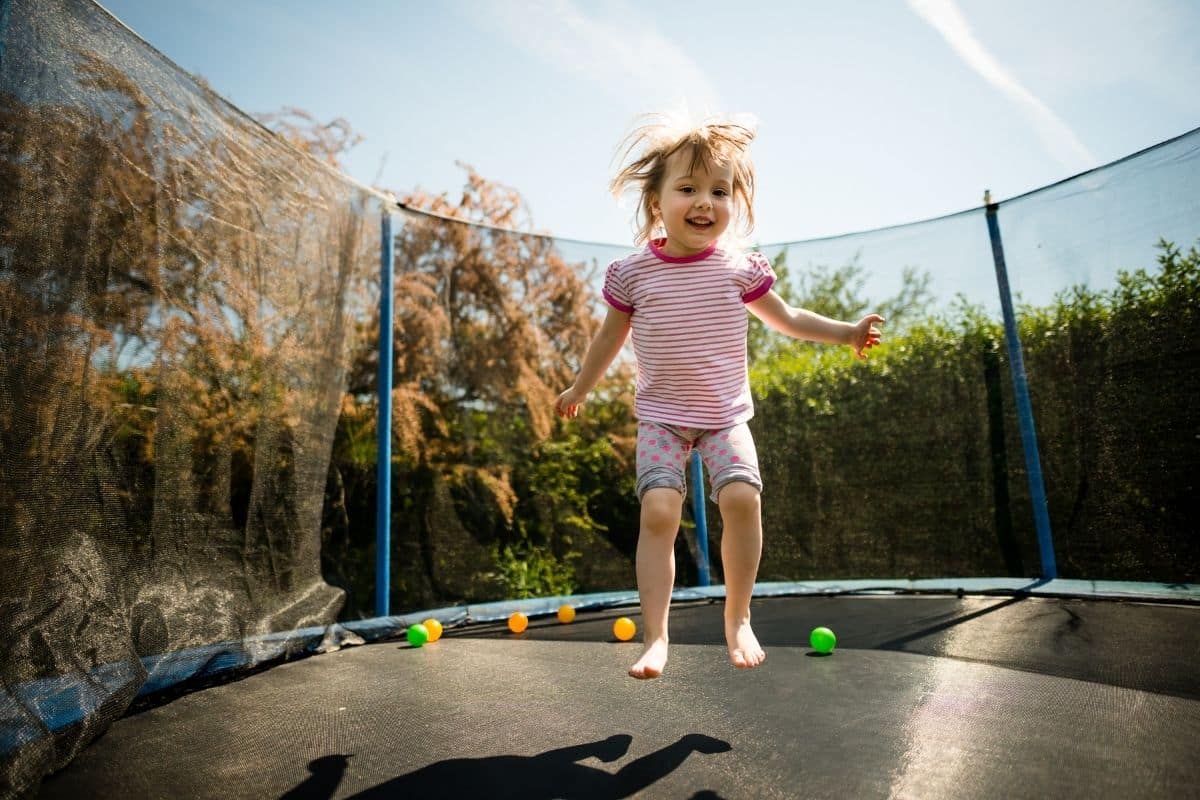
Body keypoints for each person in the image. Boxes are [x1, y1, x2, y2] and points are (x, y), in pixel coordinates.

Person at [554, 114, 883, 679]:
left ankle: (738, 617)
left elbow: (790, 319)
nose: (704, 201)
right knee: (659, 510)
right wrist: (581, 385)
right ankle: (656, 636)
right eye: (686, 189)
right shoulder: (634, 275)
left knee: (741, 501)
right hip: (661, 418)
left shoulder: (737, 269)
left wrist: (848, 331)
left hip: (724, 418)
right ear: (656, 202)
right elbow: (610, 337)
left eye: (719, 191)